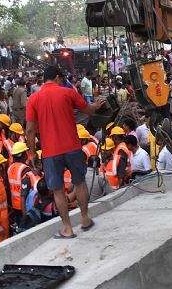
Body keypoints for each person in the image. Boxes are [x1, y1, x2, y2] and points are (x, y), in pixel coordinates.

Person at [25, 65, 104, 239]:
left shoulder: (33, 99)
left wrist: (31, 154)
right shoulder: (68, 93)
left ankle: (67, 228)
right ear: (58, 77)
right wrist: (97, 105)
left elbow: (30, 130)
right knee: (79, 183)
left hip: (50, 152)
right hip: (73, 147)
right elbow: (89, 110)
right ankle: (84, 219)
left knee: (58, 191)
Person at [7, 142, 32, 229]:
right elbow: (25, 191)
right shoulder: (25, 169)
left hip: (15, 206)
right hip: (24, 205)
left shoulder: (10, 168)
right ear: (24, 154)